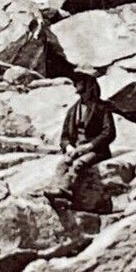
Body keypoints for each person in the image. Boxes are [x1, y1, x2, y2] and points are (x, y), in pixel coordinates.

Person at [52, 70, 116, 211]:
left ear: (91, 87)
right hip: (76, 149)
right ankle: (58, 191)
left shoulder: (102, 108)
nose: (81, 93)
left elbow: (109, 132)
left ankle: (65, 193)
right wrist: (68, 147)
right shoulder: (72, 110)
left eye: (83, 87)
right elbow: (64, 137)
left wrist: (89, 146)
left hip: (96, 150)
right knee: (63, 164)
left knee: (79, 164)